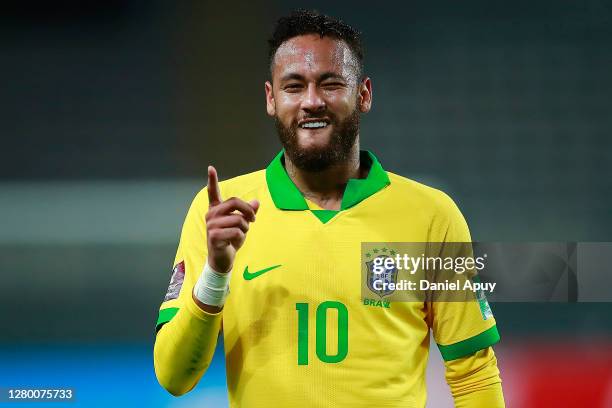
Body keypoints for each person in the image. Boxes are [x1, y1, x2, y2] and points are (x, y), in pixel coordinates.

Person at [154, 9, 505, 407]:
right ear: (271, 99)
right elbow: (173, 377)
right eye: (293, 86)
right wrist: (216, 274)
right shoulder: (221, 214)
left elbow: (473, 372)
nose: (311, 101)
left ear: (364, 94)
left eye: (330, 84)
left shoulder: (432, 216)